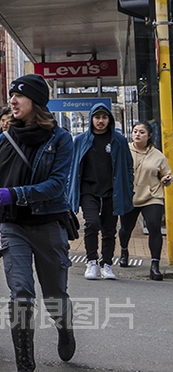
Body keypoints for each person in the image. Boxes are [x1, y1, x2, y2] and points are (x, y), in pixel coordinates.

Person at [0, 74, 76, 372]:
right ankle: (24, 361)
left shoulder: (60, 139)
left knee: (54, 295)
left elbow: (57, 185)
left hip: (49, 224)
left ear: (36, 101)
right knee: (20, 294)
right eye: (11, 96)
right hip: (13, 227)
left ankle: (65, 328)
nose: (12, 101)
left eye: (18, 96)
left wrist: (17, 194)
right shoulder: (3, 139)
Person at [68, 103, 134, 280]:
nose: (100, 121)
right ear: (91, 119)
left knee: (109, 229)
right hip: (88, 190)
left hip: (112, 191)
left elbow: (128, 165)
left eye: (104, 117)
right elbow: (73, 166)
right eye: (97, 117)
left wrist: (129, 185)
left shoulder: (119, 140)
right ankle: (91, 261)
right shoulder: (81, 140)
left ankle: (107, 264)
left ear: (109, 120)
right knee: (92, 223)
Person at [118, 121, 172, 281]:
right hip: (130, 196)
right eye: (135, 131)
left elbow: (166, 175)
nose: (137, 134)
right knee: (126, 228)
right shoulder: (124, 150)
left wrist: (167, 179)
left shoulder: (158, 155)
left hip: (152, 196)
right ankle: (124, 250)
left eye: (142, 132)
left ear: (149, 136)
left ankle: (154, 265)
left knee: (154, 227)